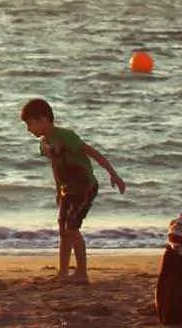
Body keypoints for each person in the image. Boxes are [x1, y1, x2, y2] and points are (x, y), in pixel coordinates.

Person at [20, 98, 126, 284]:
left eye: (30, 124)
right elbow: (56, 167)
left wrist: (114, 175)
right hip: (67, 189)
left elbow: (92, 152)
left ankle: (82, 273)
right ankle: (63, 272)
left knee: (72, 228)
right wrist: (58, 190)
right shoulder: (44, 143)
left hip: (84, 186)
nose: (28, 129)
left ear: (44, 119)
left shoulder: (66, 136)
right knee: (63, 230)